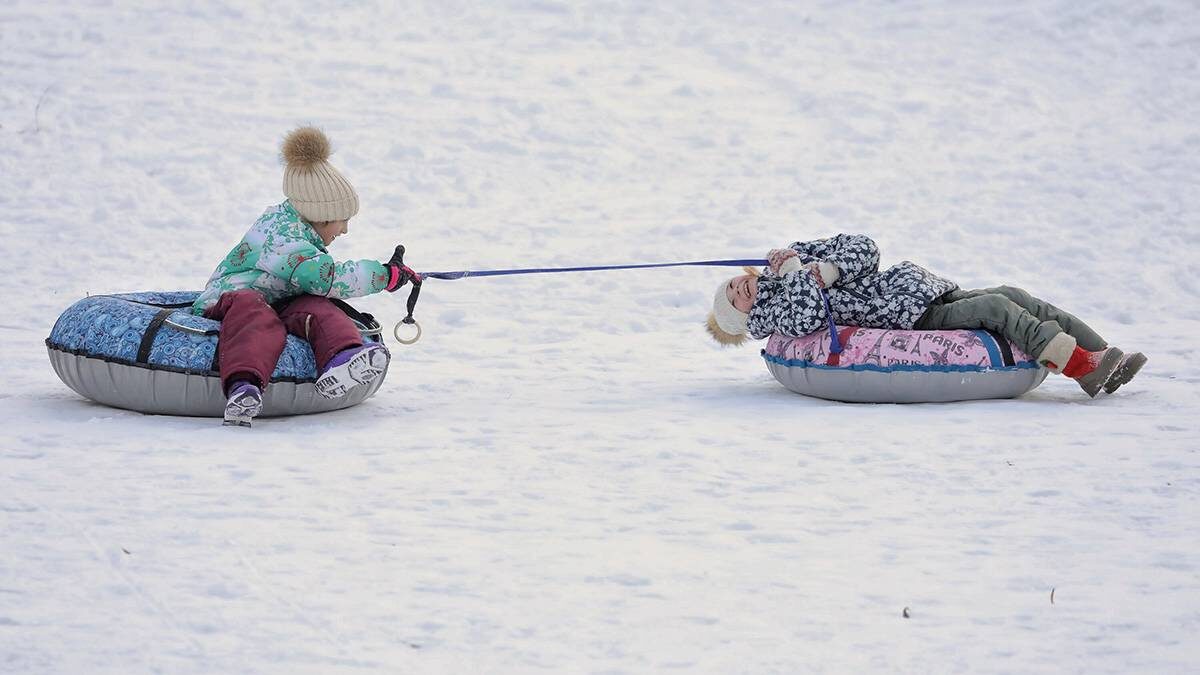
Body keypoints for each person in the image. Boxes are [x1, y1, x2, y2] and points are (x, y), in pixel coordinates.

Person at [706, 234, 1146, 397]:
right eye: (734, 300)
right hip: (910, 318)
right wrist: (797, 273)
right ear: (745, 319)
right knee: (996, 309)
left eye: (733, 284)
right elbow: (805, 315)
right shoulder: (778, 313)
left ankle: (1104, 355)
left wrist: (824, 265)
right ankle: (1079, 367)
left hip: (926, 292)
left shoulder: (792, 261)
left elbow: (865, 248)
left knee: (1012, 293)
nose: (737, 289)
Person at [192, 126, 418, 426]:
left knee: (317, 307)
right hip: (228, 303)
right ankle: (243, 386)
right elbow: (328, 279)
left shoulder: (299, 232)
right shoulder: (281, 236)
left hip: (276, 301)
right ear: (320, 214)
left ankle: (343, 359)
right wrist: (383, 276)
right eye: (342, 220)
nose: (345, 230)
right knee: (254, 310)